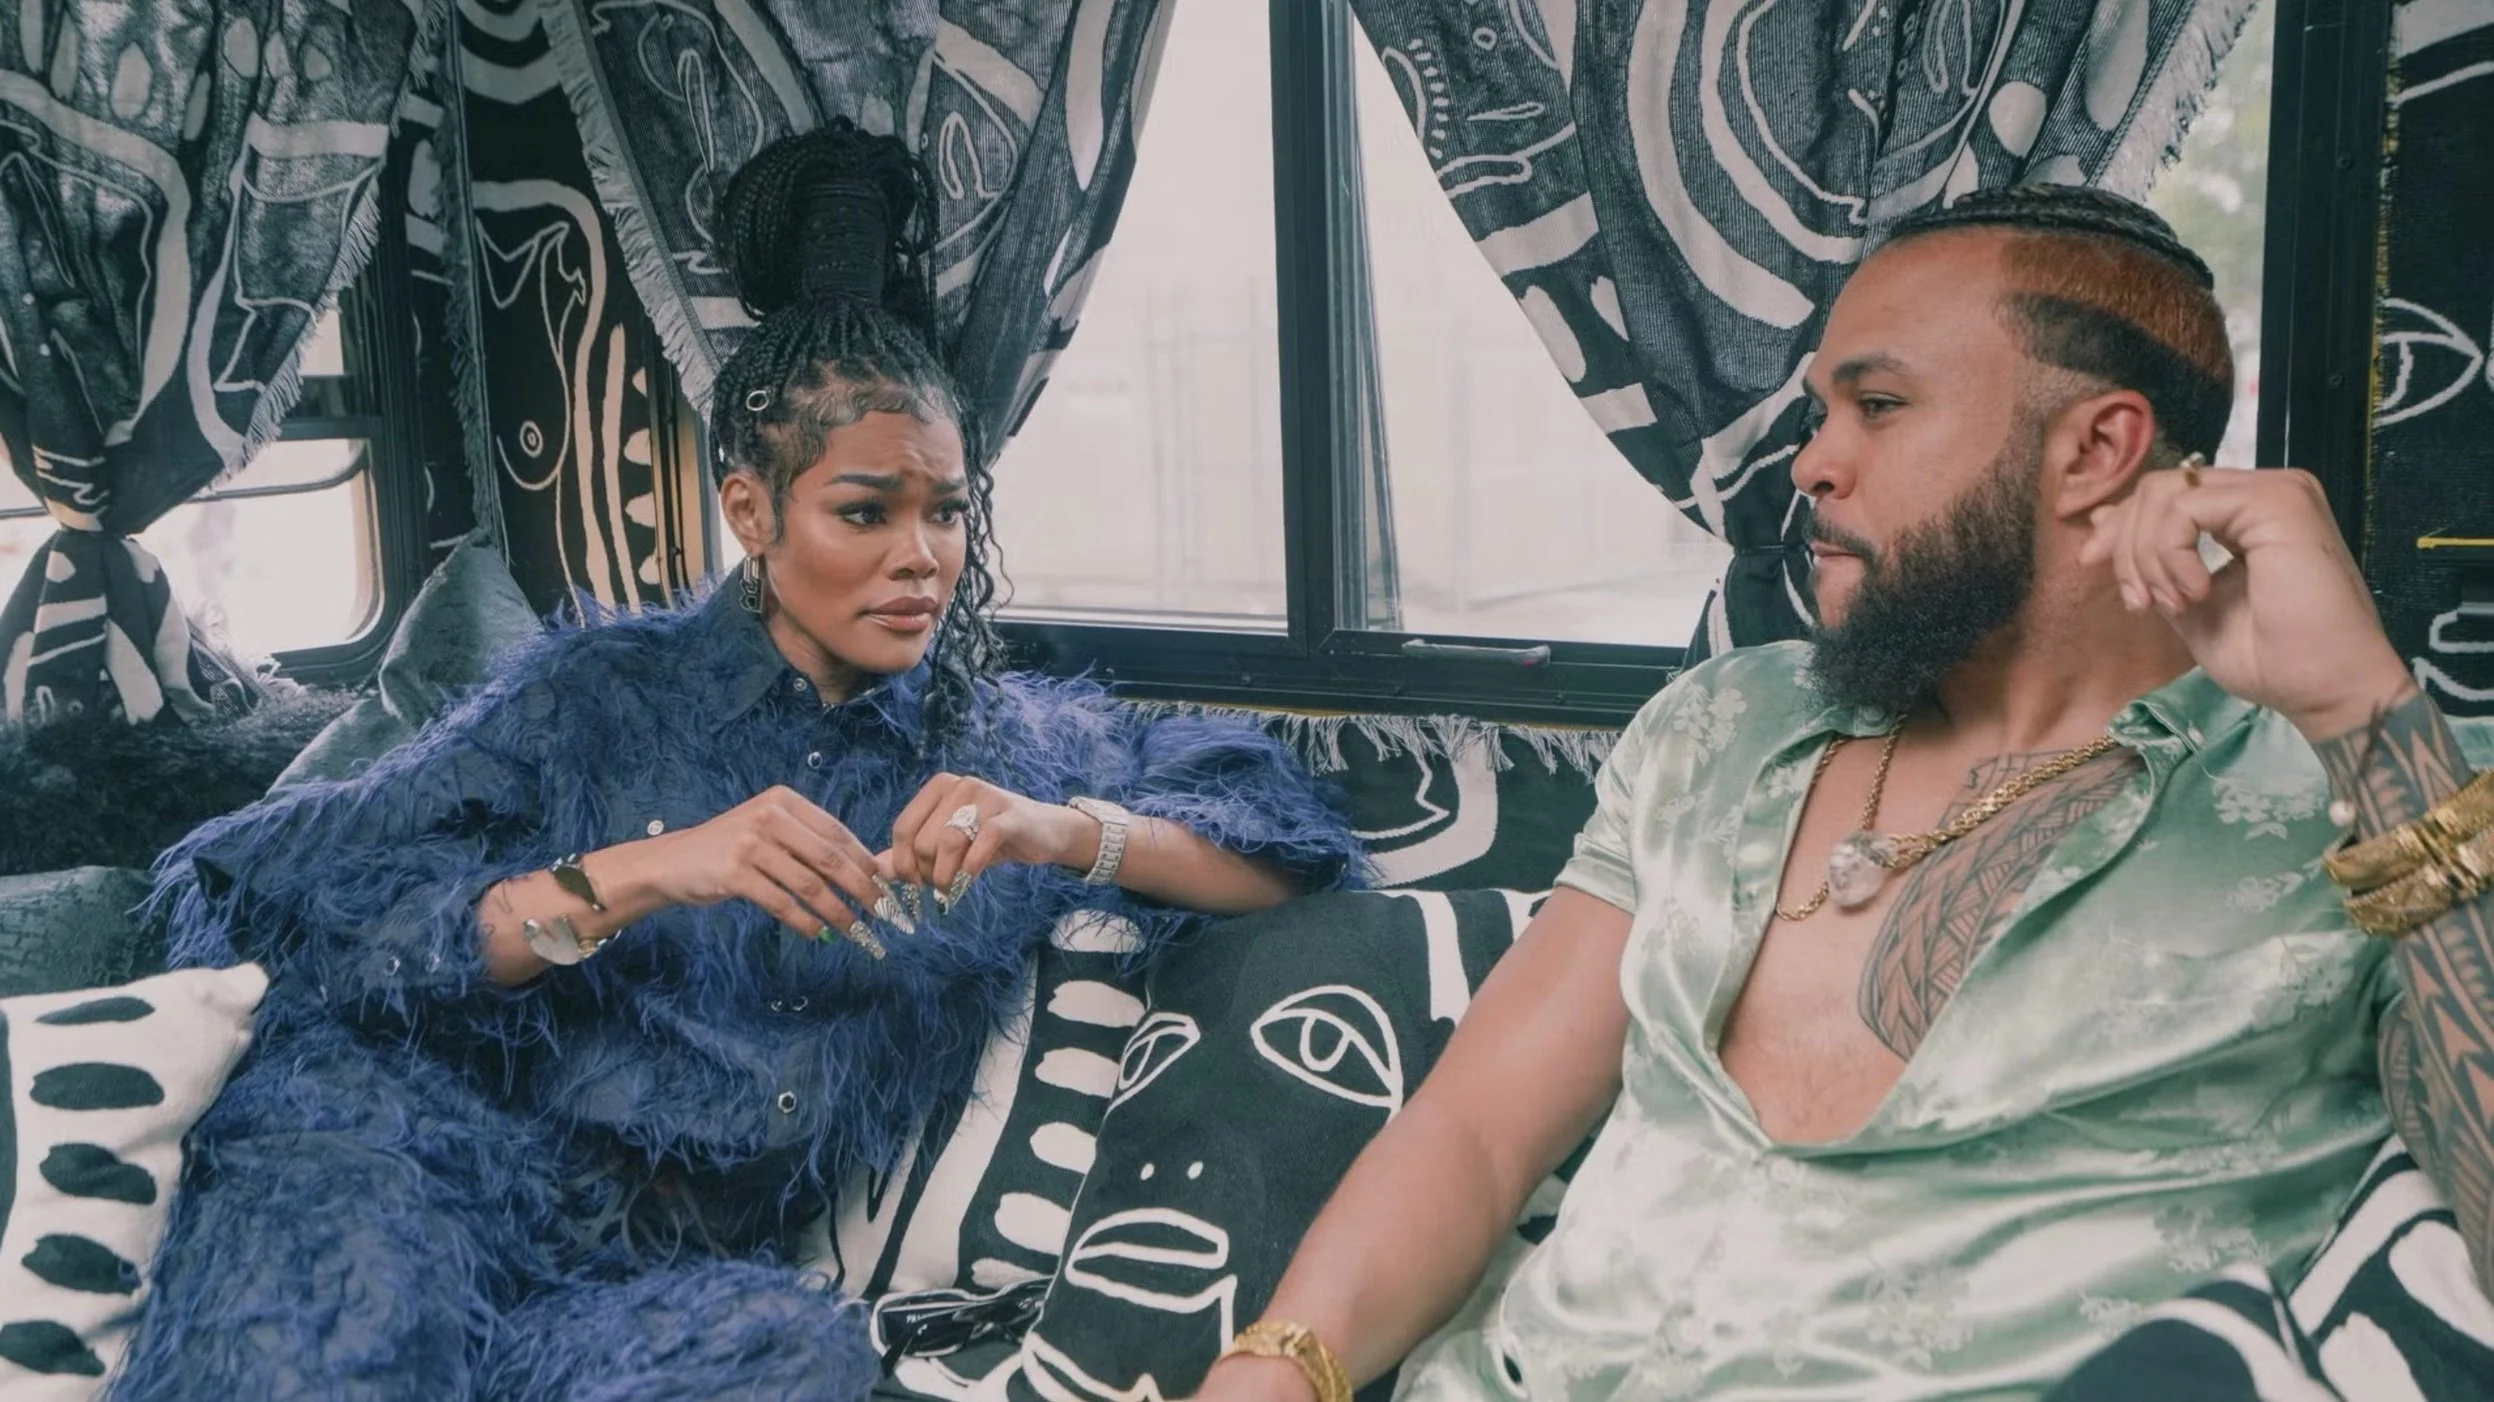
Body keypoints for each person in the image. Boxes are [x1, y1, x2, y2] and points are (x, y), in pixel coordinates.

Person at [115, 124, 1362, 1401]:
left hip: (657, 1273)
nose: (922, 557)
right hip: (409, 1155)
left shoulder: (1016, 746)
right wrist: (647, 872)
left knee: (793, 1360)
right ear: (752, 511)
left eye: (947, 510)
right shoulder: (593, 693)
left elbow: (1288, 858)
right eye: (866, 511)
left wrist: (1062, 830)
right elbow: (285, 903)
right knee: (346, 1331)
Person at [1193, 186, 2494, 1401]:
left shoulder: (2375, 797)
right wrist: (1274, 1369)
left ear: (2095, 448)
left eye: (1876, 405)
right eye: (1822, 412)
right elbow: (1476, 1130)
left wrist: (2362, 718)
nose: (1812, 462)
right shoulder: (1719, 723)